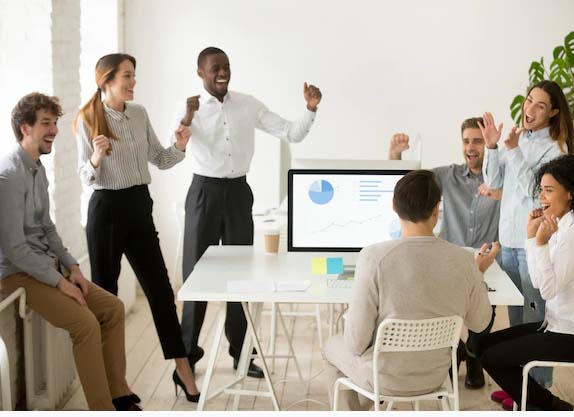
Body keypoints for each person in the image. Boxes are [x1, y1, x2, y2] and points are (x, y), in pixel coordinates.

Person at [173, 46, 322, 378]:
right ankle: (186, 360)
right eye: (215, 67)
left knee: (241, 277)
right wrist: (186, 119)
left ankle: (241, 355)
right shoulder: (189, 109)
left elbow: (291, 132)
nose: (222, 72)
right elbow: (175, 145)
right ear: (200, 73)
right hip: (203, 193)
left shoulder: (247, 104)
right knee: (196, 278)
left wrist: (310, 109)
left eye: (226, 66)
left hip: (239, 194)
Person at [0, 93, 140, 411]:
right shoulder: (8, 176)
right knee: (85, 324)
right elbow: (15, 249)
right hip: (17, 274)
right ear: (25, 128)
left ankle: (118, 394)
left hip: (45, 265)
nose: (54, 130)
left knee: (113, 308)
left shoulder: (37, 168)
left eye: (55, 123)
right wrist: (60, 283)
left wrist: (72, 266)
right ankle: (102, 408)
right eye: (45, 123)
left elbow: (46, 227)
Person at [74, 54, 200, 402]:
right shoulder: (87, 119)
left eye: (134, 75)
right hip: (106, 211)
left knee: (160, 291)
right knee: (107, 297)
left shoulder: (139, 113)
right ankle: (115, 385)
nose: (133, 82)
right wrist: (96, 158)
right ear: (107, 80)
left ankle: (182, 368)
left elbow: (160, 159)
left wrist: (180, 145)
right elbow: (85, 176)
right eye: (127, 76)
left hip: (139, 206)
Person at [323, 169, 499, 410]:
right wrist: (477, 274)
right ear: (437, 209)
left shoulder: (374, 258)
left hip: (384, 377)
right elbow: (480, 323)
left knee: (331, 346)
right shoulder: (463, 260)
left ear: (394, 207)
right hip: (435, 376)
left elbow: (356, 343)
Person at [479, 155, 574, 411]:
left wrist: (538, 243)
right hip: (557, 325)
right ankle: (528, 395)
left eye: (549, 190)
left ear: (570, 193)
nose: (541, 197)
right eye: (541, 190)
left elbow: (547, 290)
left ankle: (548, 405)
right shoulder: (561, 227)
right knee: (483, 346)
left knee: (491, 357)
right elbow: (539, 282)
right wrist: (531, 237)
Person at [479, 80, 574, 406]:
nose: (530, 109)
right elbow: (493, 181)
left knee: (535, 321)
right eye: (529, 100)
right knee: (517, 321)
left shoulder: (554, 150)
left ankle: (539, 392)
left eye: (540, 105)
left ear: (553, 112)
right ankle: (519, 387)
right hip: (508, 241)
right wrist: (492, 147)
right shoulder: (518, 139)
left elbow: (537, 192)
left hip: (533, 244)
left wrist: (512, 150)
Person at [388, 117, 501, 389]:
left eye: (478, 141)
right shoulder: (447, 176)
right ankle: (452, 352)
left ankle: (473, 355)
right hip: (448, 260)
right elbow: (409, 187)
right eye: (466, 141)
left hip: (487, 261)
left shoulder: (500, 179)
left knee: (484, 311)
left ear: (488, 144)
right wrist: (396, 155)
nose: (471, 147)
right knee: (444, 312)